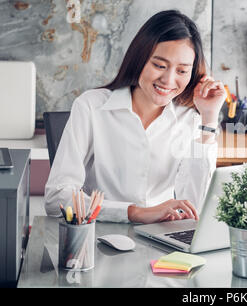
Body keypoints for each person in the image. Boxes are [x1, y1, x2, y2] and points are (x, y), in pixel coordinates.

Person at [44, 10, 226, 224]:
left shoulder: (190, 119)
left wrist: (209, 118)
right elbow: (57, 197)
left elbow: (196, 206)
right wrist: (136, 213)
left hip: (163, 240)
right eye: (159, 65)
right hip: (101, 236)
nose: (168, 80)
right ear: (139, 59)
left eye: (182, 71)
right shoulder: (91, 107)